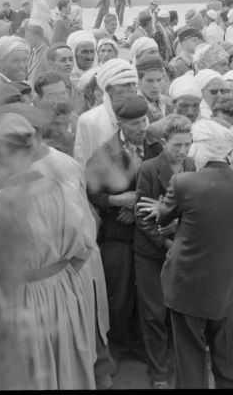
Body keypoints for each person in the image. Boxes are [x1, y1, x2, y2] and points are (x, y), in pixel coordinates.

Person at [138, 118, 233, 389]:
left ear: (201, 149)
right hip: (229, 283)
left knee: (189, 354)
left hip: (186, 283)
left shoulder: (184, 182)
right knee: (226, 352)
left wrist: (173, 219)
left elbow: (162, 220)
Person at [0, 112, 96, 389]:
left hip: (22, 300)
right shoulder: (64, 191)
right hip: (64, 292)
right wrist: (55, 275)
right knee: (66, 364)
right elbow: (85, 247)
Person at [86, 93, 151, 362]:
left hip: (151, 232)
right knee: (119, 294)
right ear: (120, 124)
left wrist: (136, 210)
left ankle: (144, 347)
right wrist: (116, 200)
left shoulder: (157, 146)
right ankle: (118, 346)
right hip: (117, 235)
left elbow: (173, 183)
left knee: (148, 295)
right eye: (134, 123)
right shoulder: (103, 155)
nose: (142, 127)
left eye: (144, 120)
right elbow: (92, 194)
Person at [134, 114, 196, 388]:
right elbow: (141, 214)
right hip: (153, 252)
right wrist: (168, 242)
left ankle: (173, 359)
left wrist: (175, 226)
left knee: (180, 309)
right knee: (154, 312)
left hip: (183, 250)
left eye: (187, 144)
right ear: (163, 142)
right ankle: (158, 370)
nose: (183, 151)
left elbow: (194, 211)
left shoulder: (192, 166)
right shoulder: (149, 169)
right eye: (177, 145)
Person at [74, 58, 139, 166]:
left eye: (133, 84)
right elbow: (82, 160)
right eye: (125, 85)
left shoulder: (142, 116)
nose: (131, 89)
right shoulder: (89, 120)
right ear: (109, 89)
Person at [136, 54, 173, 123]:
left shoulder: (169, 104)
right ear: (139, 81)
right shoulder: (134, 108)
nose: (155, 86)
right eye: (149, 81)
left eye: (159, 80)